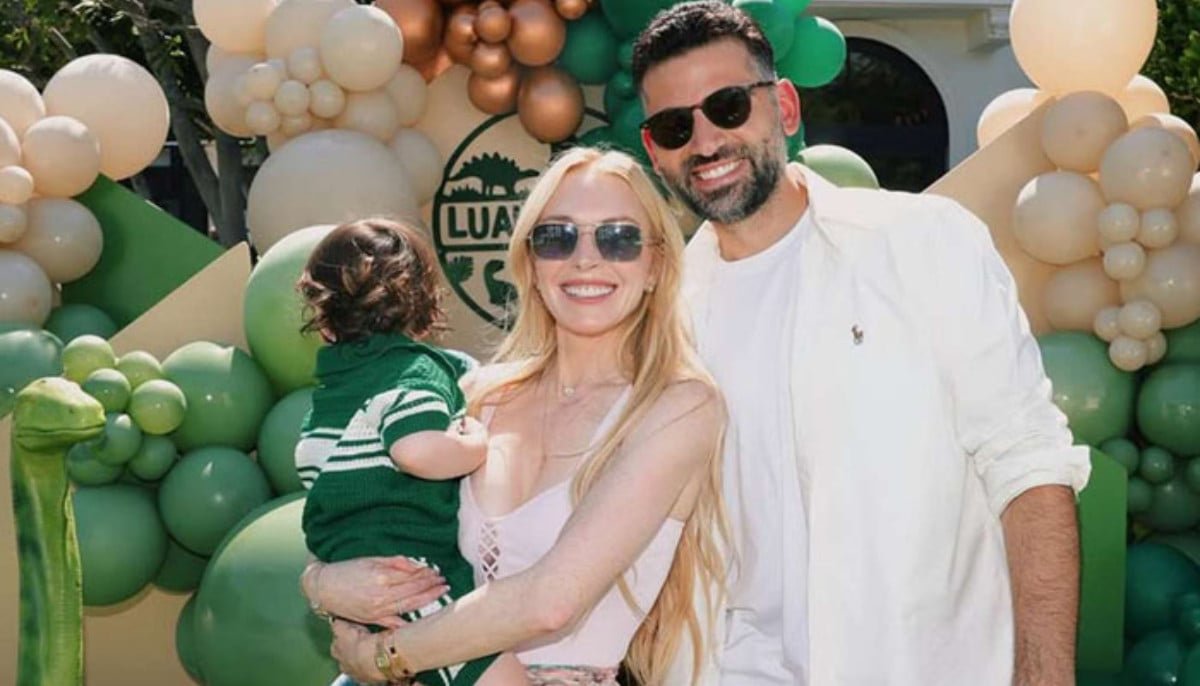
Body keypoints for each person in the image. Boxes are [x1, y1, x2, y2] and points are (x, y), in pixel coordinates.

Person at [630, 3, 1092, 685]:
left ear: (785, 107)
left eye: (728, 107)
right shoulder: (663, 319)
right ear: (653, 151)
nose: (705, 142)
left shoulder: (922, 243)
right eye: (676, 126)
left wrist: (1044, 675)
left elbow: (1029, 467)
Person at [300, 148, 729, 686]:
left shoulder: (678, 407)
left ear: (655, 267)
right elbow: (363, 513)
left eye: (618, 238)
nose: (586, 259)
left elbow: (551, 602)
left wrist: (382, 657)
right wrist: (320, 583)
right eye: (557, 237)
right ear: (531, 264)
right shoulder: (476, 394)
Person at [294, 218, 528, 686]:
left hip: (351, 576)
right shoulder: (416, 370)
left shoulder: (330, 390)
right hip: (413, 576)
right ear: (422, 303)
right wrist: (473, 444)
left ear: (323, 317)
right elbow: (414, 450)